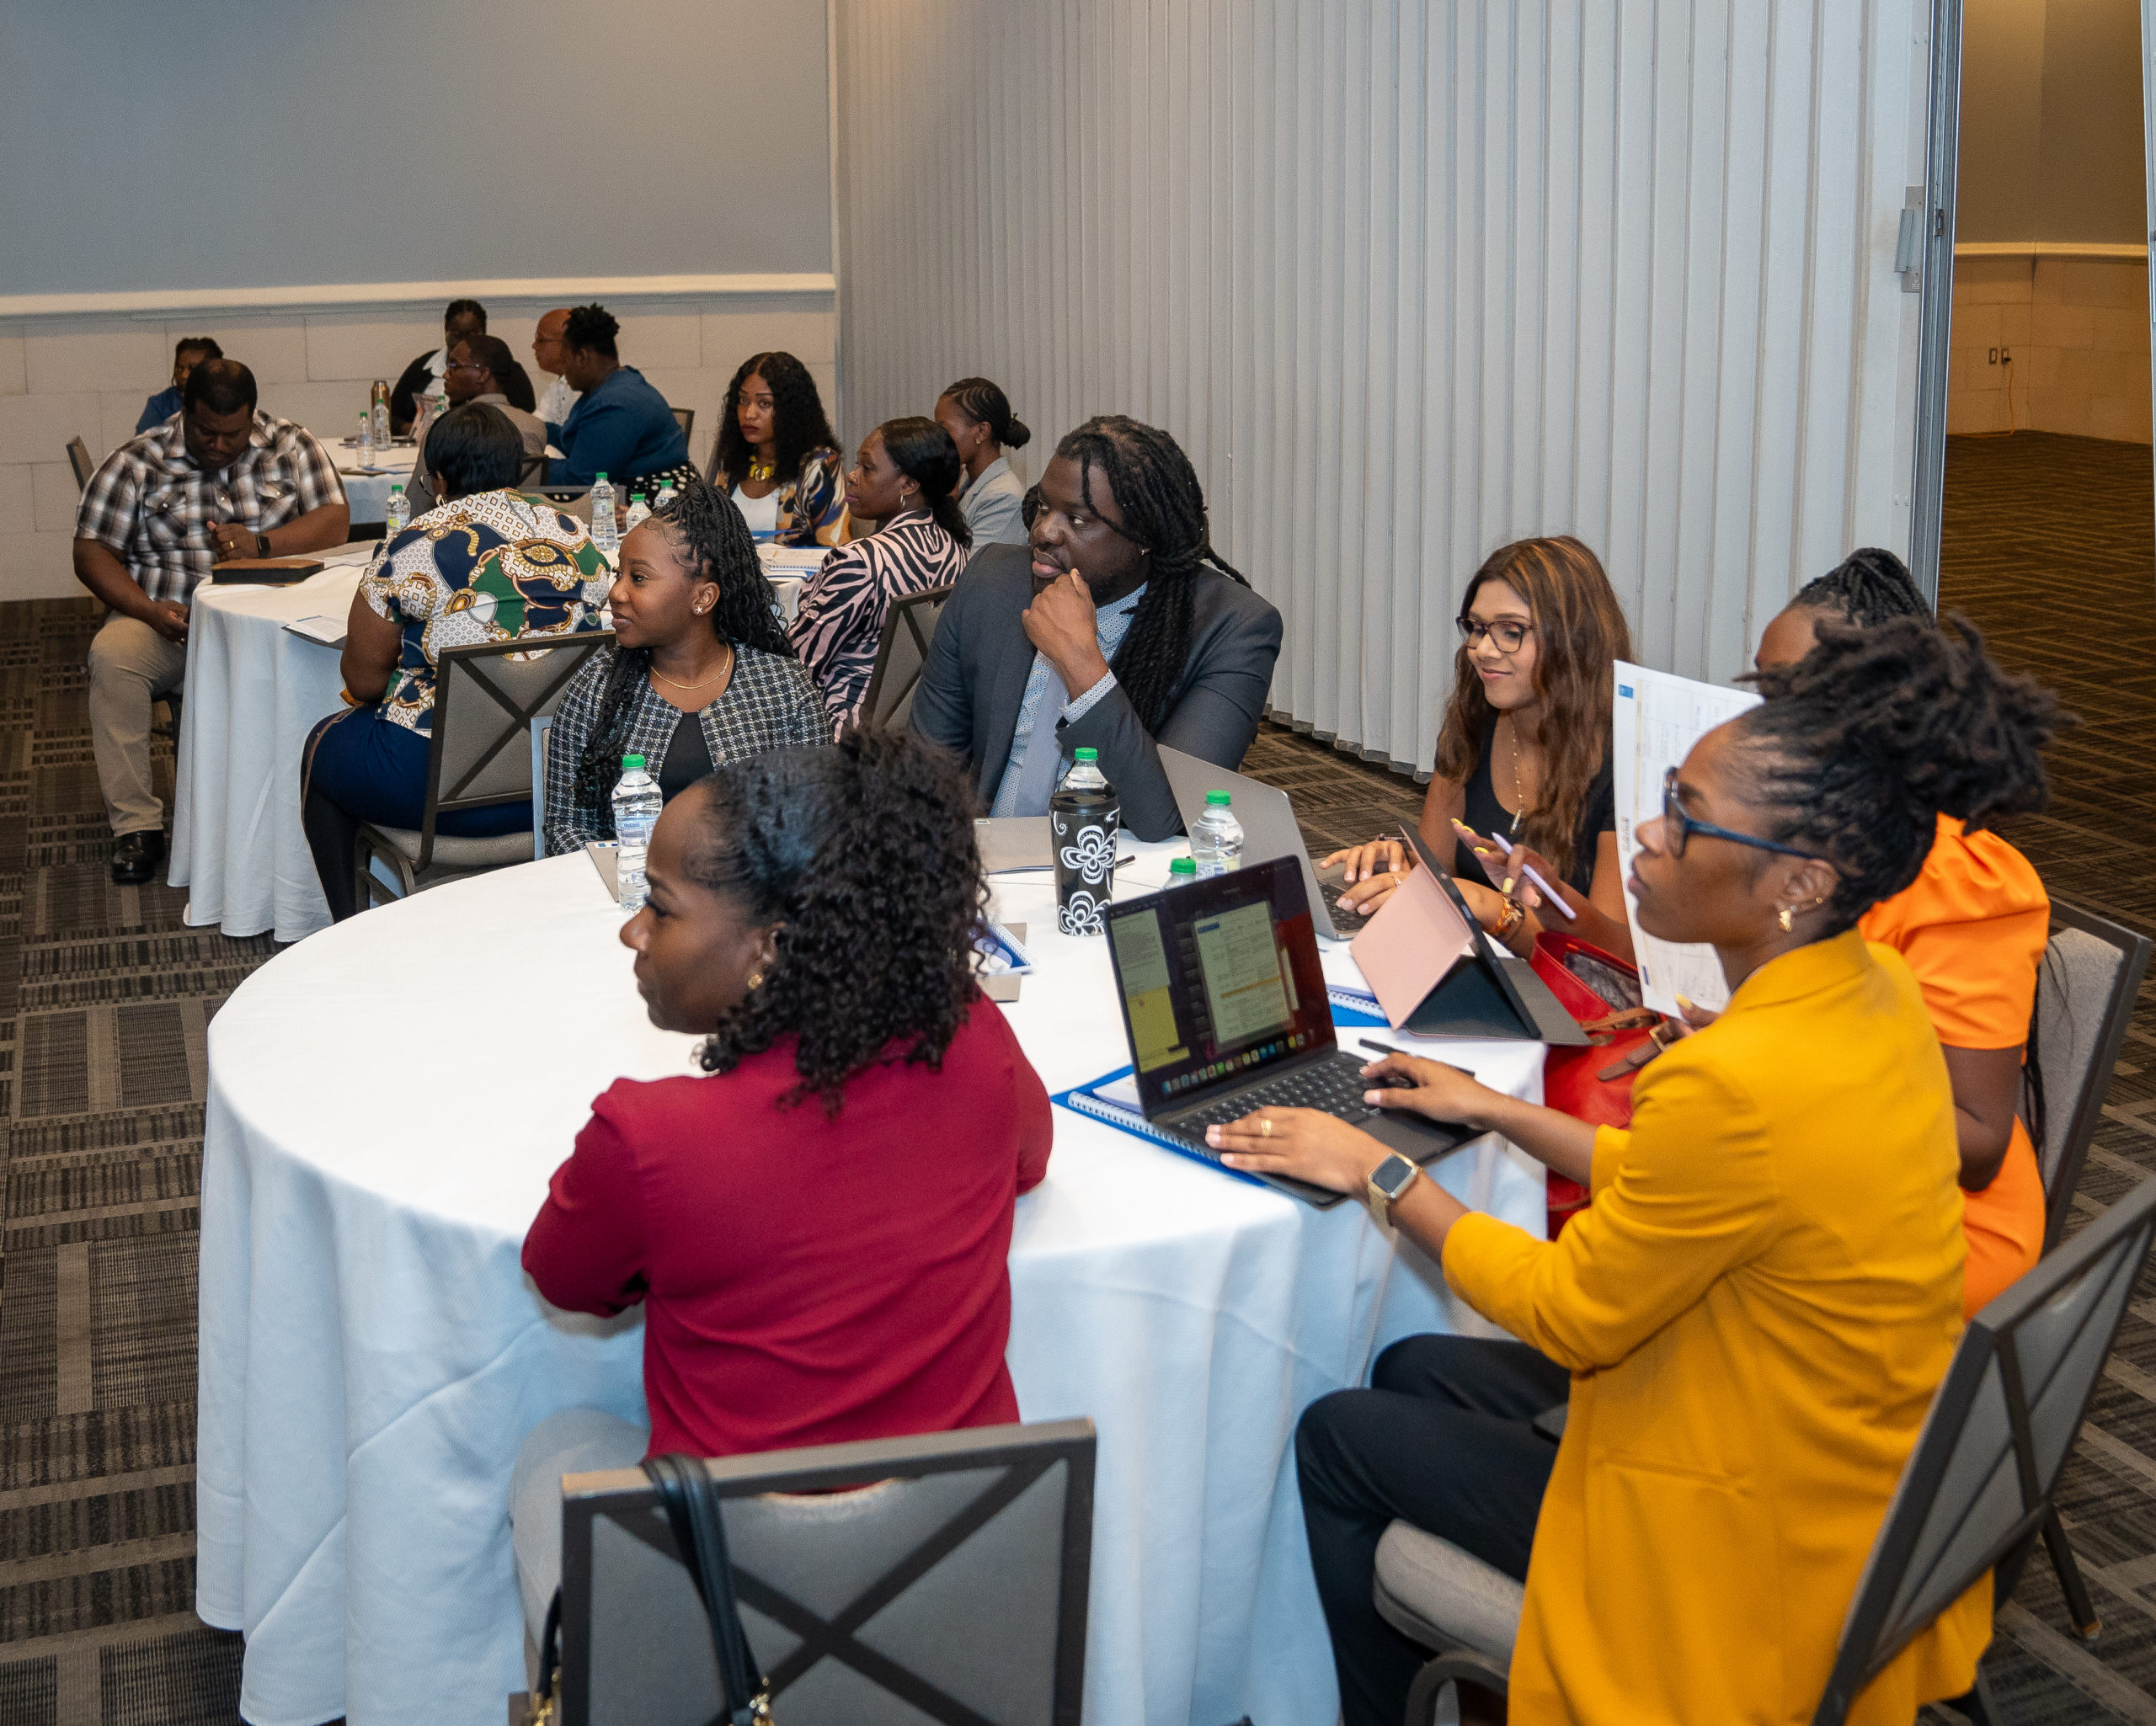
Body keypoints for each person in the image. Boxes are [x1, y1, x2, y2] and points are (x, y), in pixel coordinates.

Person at [1216, 614, 2050, 1726]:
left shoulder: (1736, 1077)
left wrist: (1381, 1172)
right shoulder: (1872, 989)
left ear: (1799, 881)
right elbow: (1698, 1187)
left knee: (1337, 1439)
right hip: (1830, 1456)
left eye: (1686, 820)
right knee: (1412, 1362)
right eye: (1665, 797)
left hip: (1731, 1541)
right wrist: (1493, 1108)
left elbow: (1570, 1313)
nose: (1648, 835)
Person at [511, 728, 1052, 1647]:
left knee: (550, 1444)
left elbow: (564, 1278)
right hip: (958, 1596)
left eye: (660, 907)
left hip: (739, 1619)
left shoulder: (652, 1140)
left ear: (771, 946)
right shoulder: (973, 1041)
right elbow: (1028, 1159)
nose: (632, 931)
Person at [1754, 548, 2061, 1317]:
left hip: (1942, 1229)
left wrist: (1772, 1080)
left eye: (1800, 696)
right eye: (1765, 692)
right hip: (1822, 1170)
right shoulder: (1802, 838)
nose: (1769, 723)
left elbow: (1978, 1143)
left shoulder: (1962, 880)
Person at [908, 414, 1282, 841]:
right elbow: (925, 766)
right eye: (1044, 507)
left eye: (1078, 520)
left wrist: (1081, 663)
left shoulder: (1233, 627)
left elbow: (1166, 818)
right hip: (982, 859)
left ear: (1144, 537)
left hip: (1117, 870)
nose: (1044, 532)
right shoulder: (991, 582)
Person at [301, 406, 608, 921]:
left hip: (433, 792)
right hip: (562, 775)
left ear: (438, 479)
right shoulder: (575, 534)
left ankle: (344, 930)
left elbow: (363, 679)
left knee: (322, 746)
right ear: (519, 468)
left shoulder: (412, 544)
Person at [75, 359, 349, 884]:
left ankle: (309, 810)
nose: (219, 445)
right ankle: (137, 826)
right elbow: (91, 552)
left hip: (273, 629)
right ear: (185, 410)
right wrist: (146, 609)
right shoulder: (138, 461)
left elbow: (335, 521)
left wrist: (262, 544)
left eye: (233, 434)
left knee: (348, 655)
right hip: (169, 624)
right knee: (113, 658)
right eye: (206, 432)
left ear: (253, 417)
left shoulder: (291, 445)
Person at [1321, 536, 1633, 956]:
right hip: (1479, 962)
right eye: (1477, 628)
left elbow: (1609, 957)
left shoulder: (1627, 760)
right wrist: (1399, 863)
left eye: (1511, 632)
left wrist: (1486, 906)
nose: (1483, 650)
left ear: (1575, 640)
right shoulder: (1475, 717)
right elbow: (1439, 869)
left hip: (1563, 990)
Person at [544, 476, 828, 854]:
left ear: (703, 598)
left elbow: (817, 824)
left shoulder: (783, 688)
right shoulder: (594, 688)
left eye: (638, 578)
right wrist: (622, 874)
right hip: (625, 886)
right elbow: (565, 826)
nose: (616, 592)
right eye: (618, 574)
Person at [789, 417, 971, 724]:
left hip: (841, 729)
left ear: (909, 484)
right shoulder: (954, 550)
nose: (851, 476)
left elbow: (796, 666)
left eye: (867, 468)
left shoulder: (859, 561)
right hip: (915, 729)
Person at [546, 303, 689, 491]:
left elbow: (581, 481)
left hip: (652, 501)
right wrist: (537, 430)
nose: (564, 371)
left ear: (582, 357)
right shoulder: (616, 385)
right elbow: (582, 443)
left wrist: (523, 466)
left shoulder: (615, 404)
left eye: (565, 361)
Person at [709, 351, 844, 547]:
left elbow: (835, 550)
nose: (749, 414)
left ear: (791, 409)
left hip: (799, 569)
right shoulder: (731, 462)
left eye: (764, 403)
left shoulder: (818, 465)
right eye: (743, 401)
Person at [406, 333, 547, 513]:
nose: (446, 374)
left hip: (458, 526)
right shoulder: (535, 427)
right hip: (517, 523)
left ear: (483, 374)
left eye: (454, 366)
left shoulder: (444, 430)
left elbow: (416, 506)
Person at [389, 298, 535, 433]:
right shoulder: (423, 367)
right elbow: (391, 414)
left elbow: (525, 418)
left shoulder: (505, 369)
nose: (463, 342)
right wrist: (414, 430)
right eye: (456, 335)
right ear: (445, 332)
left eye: (472, 335)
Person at [933, 376, 1031, 546]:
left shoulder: (1004, 498)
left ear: (982, 432)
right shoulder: (965, 485)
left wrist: (947, 505)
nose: (937, 438)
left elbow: (967, 563)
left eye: (944, 430)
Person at [135, 336, 221, 434]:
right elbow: (144, 441)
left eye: (192, 369)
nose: (184, 375)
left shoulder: (229, 400)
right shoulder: (160, 404)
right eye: (180, 368)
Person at [529, 306, 579, 429]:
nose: (534, 346)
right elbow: (536, 428)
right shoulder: (557, 387)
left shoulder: (587, 389)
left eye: (540, 340)